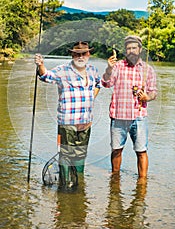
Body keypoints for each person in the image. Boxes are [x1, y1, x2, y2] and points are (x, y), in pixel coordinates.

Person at [35, 41, 101, 186]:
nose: (80, 56)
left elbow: (98, 84)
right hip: (67, 121)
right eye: (77, 54)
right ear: (72, 54)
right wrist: (40, 65)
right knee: (66, 155)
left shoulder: (93, 70)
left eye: (83, 53)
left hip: (86, 121)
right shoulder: (62, 70)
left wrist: (90, 98)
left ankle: (78, 183)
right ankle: (66, 186)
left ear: (88, 54)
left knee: (81, 154)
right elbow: (46, 76)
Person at [102, 35, 157, 178]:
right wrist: (109, 69)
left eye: (134, 48)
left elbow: (153, 93)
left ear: (140, 49)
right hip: (118, 116)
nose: (131, 51)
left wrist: (147, 97)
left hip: (139, 117)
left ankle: (142, 182)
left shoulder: (147, 69)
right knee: (116, 150)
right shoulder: (118, 66)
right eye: (128, 48)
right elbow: (106, 83)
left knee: (141, 151)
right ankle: (115, 180)